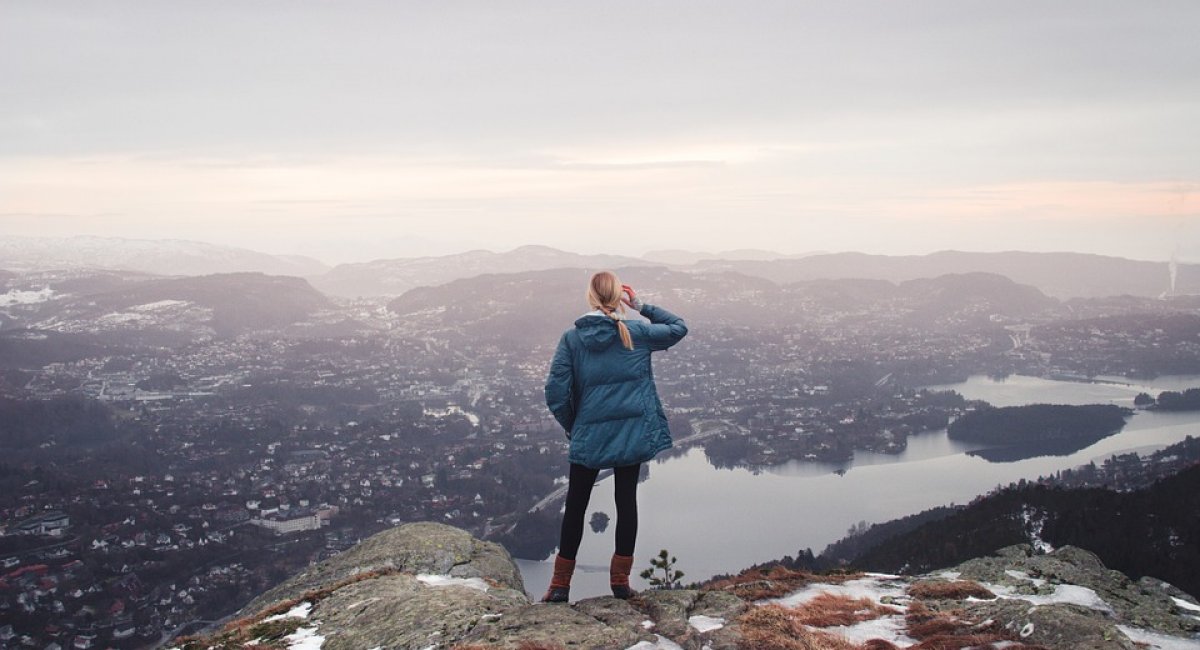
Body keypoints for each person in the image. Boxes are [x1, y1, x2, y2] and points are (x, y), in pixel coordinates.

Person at [541, 270, 688, 602]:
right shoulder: (635, 331)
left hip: (589, 435)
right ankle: (620, 583)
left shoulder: (573, 339)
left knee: (576, 506)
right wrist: (641, 305)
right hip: (631, 434)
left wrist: (573, 424)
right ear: (617, 297)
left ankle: (559, 585)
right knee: (626, 503)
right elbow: (679, 327)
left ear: (591, 297)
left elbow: (555, 392)